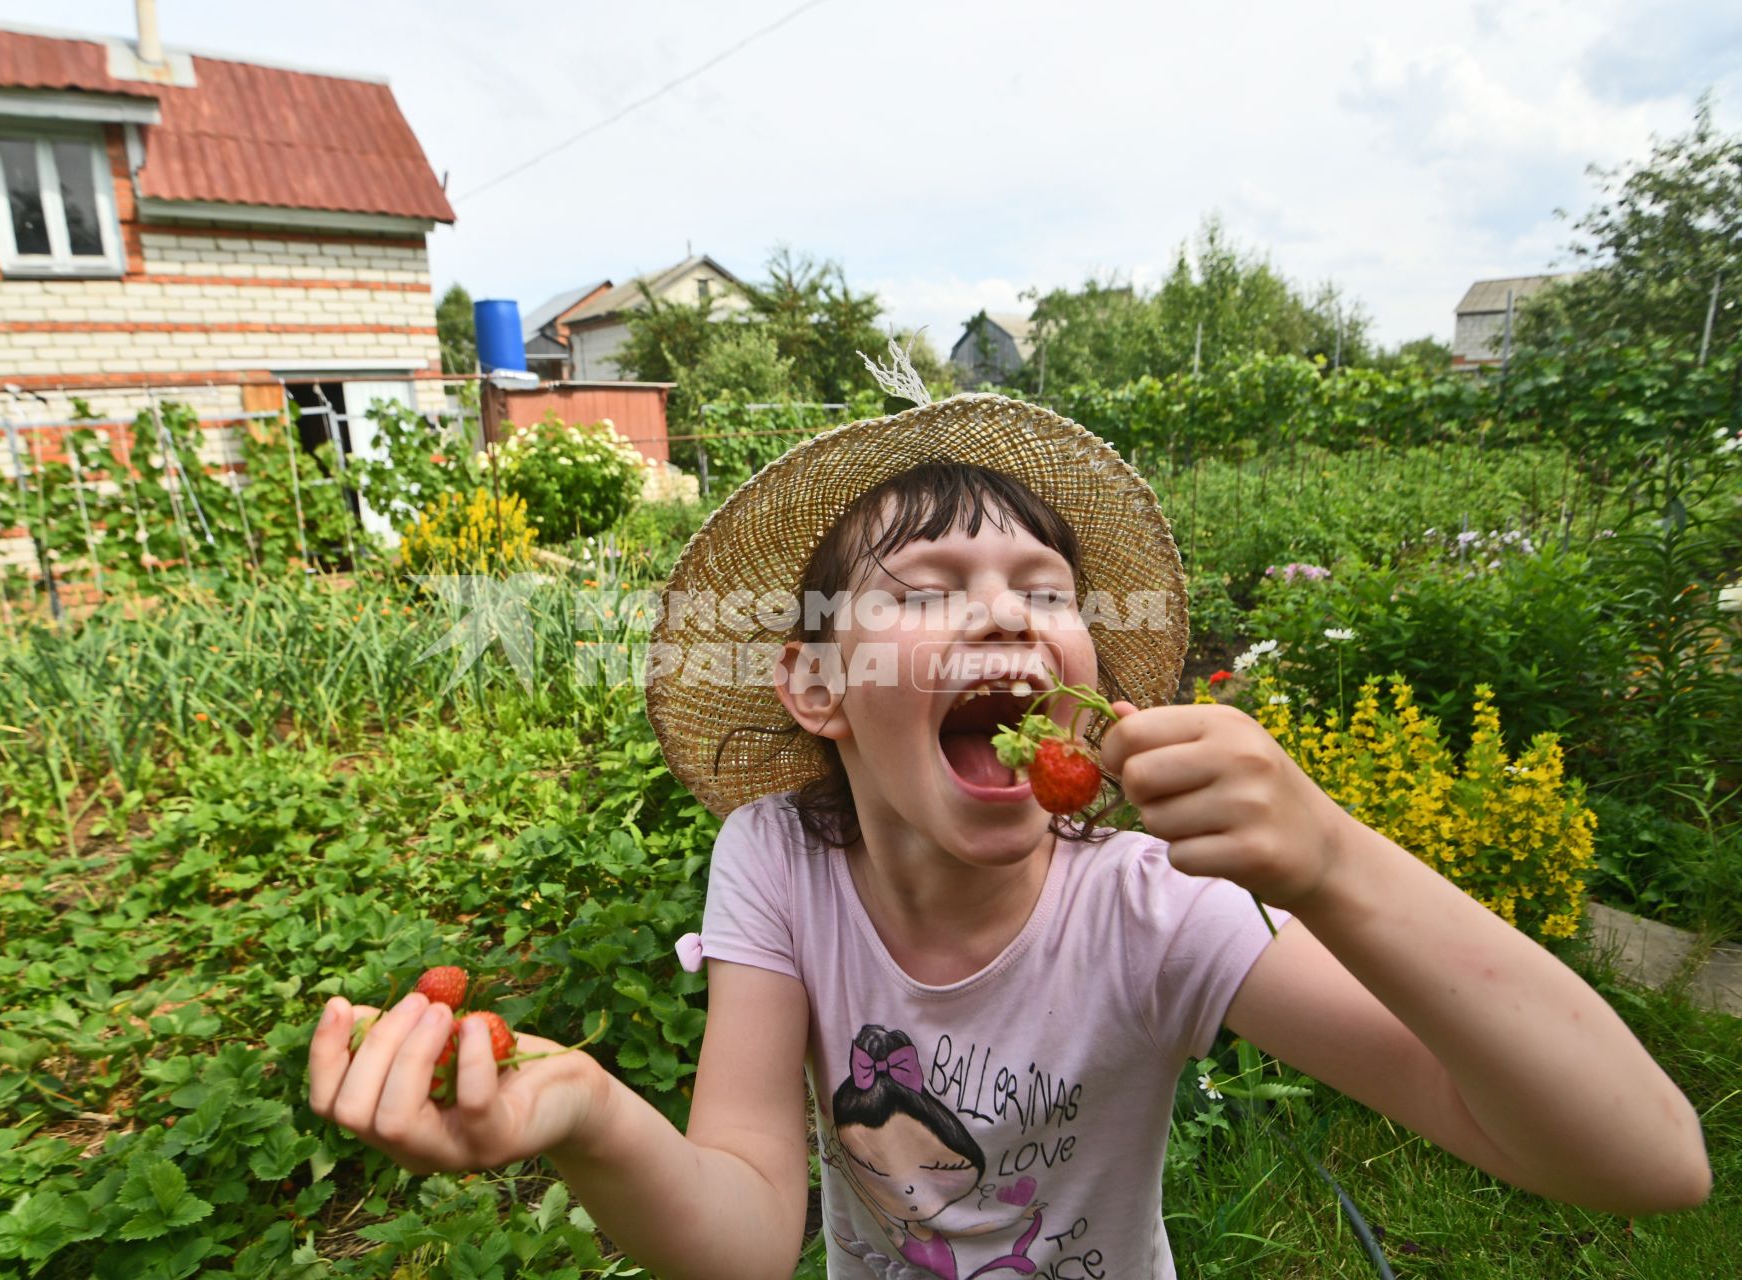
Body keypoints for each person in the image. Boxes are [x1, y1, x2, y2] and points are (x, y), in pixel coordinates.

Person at [308, 360, 1710, 1280]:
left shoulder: (1148, 901)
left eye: (1047, 590)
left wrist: (1336, 863)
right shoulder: (779, 865)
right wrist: (592, 1118)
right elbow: (743, 1233)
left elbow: (1647, 1161)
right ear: (814, 688)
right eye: (926, 589)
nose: (1006, 609)